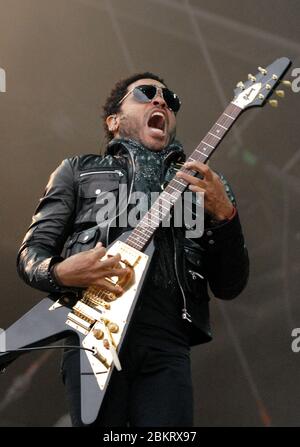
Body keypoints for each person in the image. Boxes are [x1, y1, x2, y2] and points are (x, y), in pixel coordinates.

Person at [17, 72, 249, 427]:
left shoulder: (206, 185)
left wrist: (225, 215)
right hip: (93, 334)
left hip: (168, 343)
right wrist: (63, 271)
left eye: (169, 99)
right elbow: (31, 254)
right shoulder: (77, 171)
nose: (160, 101)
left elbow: (231, 285)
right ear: (114, 121)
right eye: (145, 93)